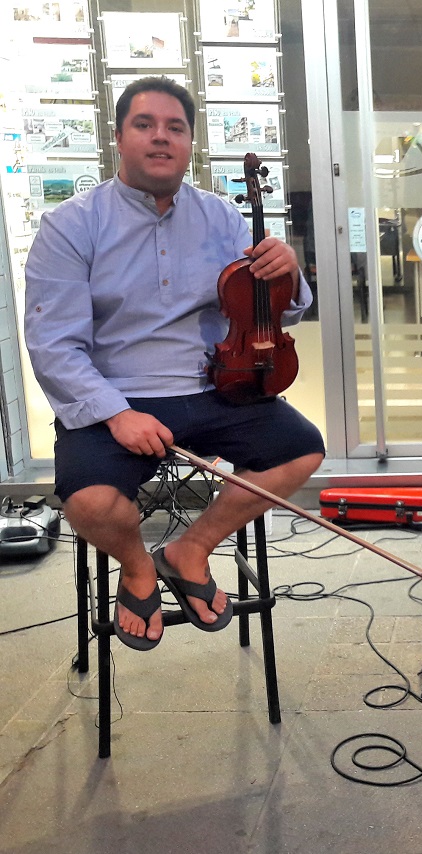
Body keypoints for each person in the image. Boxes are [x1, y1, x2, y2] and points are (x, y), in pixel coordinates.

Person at [23, 77, 325, 651]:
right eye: (145, 125)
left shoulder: (223, 217)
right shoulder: (70, 226)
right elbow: (53, 344)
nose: (161, 137)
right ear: (118, 138)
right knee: (88, 501)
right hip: (116, 395)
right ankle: (138, 567)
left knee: (302, 448)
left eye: (175, 128)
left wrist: (288, 271)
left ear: (189, 144)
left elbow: (276, 311)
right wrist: (116, 414)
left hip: (214, 385)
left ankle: (190, 550)